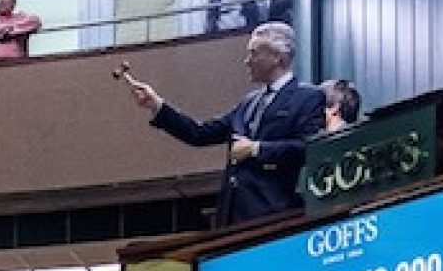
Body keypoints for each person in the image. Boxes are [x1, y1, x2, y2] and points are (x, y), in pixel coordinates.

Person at [127, 21, 325, 228]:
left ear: (277, 57)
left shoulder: (308, 97)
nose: (247, 61)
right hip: (232, 217)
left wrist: (256, 149)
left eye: (254, 53)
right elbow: (199, 133)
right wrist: (157, 105)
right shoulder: (250, 102)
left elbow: (309, 148)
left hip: (274, 215)